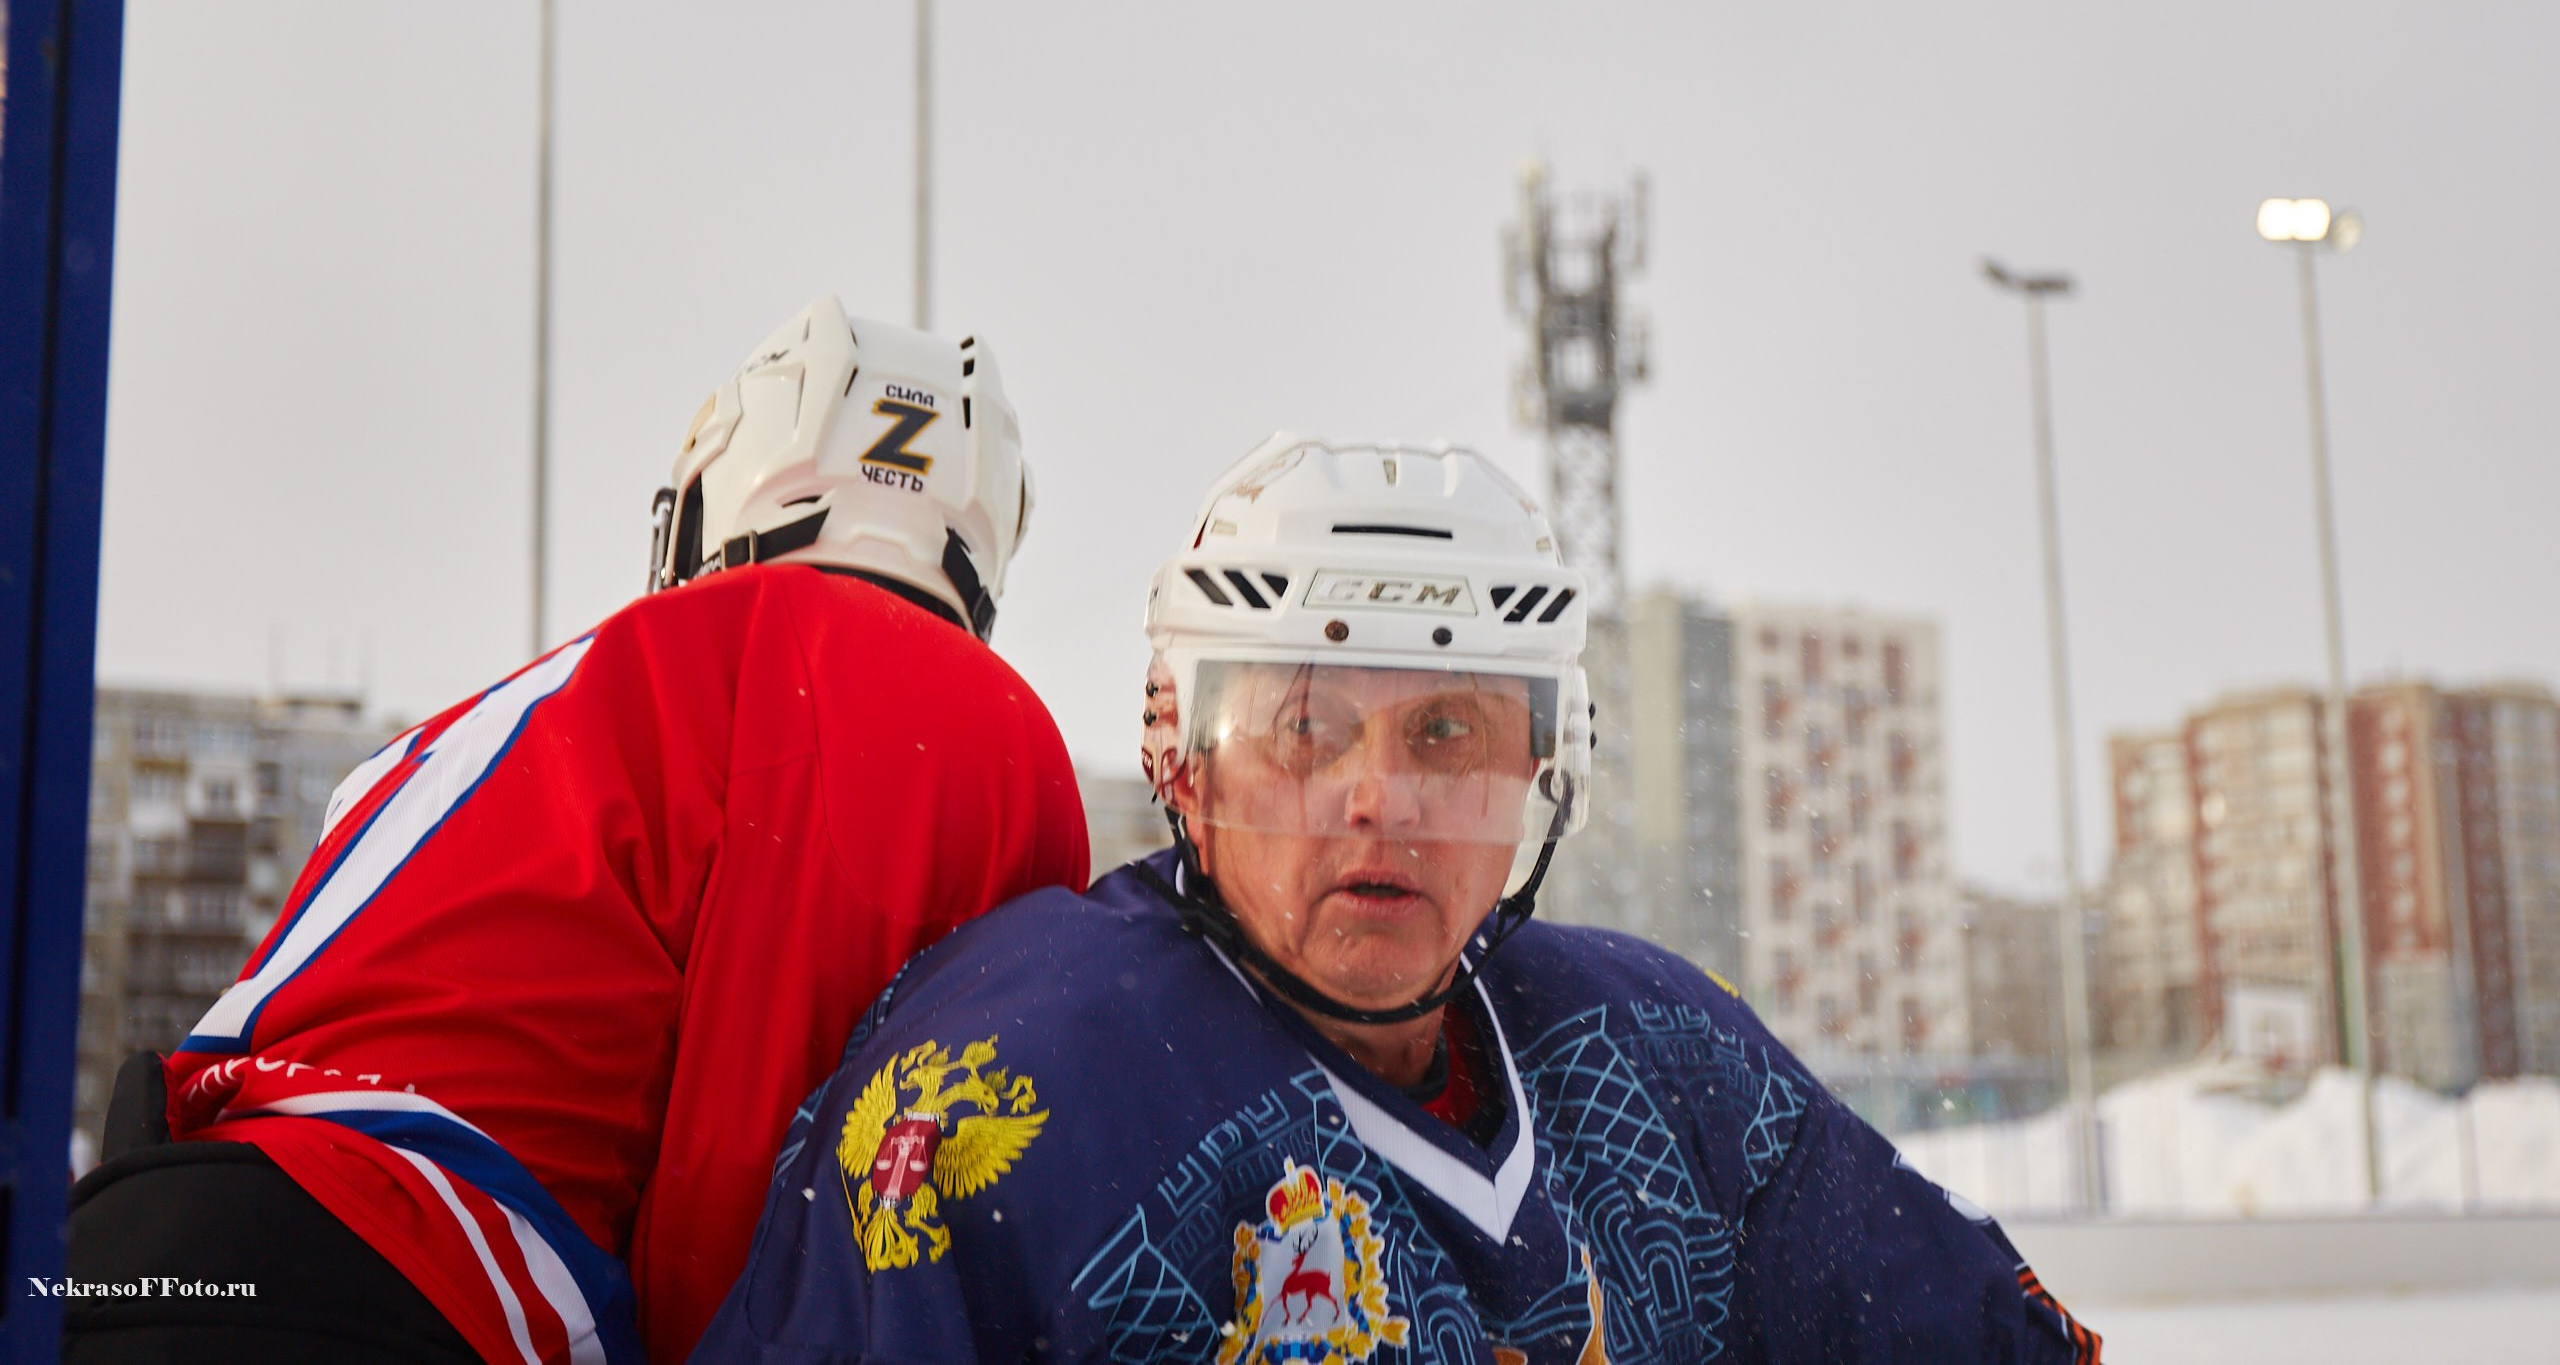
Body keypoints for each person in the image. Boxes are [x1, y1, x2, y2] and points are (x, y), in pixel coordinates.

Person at [693, 434, 2102, 1364]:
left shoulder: (1665, 1057)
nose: (1381, 798)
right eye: (1306, 727)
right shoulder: (1000, 1088)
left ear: (1552, 766)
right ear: (1182, 757)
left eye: (1447, 734)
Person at [64, 297, 1090, 1365]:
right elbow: (766, 1205)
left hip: (151, 1239)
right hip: (410, 1278)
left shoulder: (548, 699)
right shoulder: (944, 713)